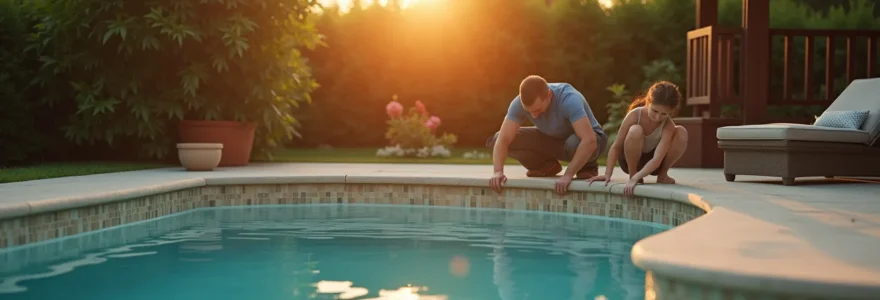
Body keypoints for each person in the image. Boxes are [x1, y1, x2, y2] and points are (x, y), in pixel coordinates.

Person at [487, 75, 608, 195]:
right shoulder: (518, 103)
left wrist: (568, 175)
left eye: (537, 110)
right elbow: (503, 139)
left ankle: (588, 166)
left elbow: (589, 140)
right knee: (497, 138)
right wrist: (498, 171)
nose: (534, 116)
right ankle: (546, 167)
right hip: (554, 138)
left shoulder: (569, 99)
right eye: (529, 112)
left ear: (549, 95)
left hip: (590, 141)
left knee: (573, 143)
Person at [587, 81, 689, 196]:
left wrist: (641, 175)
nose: (657, 117)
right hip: (629, 161)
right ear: (648, 102)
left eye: (664, 114)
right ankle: (633, 174)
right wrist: (607, 174)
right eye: (655, 111)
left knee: (681, 131)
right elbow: (616, 146)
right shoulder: (635, 115)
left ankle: (662, 175)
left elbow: (657, 159)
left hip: (654, 165)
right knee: (636, 130)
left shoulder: (668, 125)